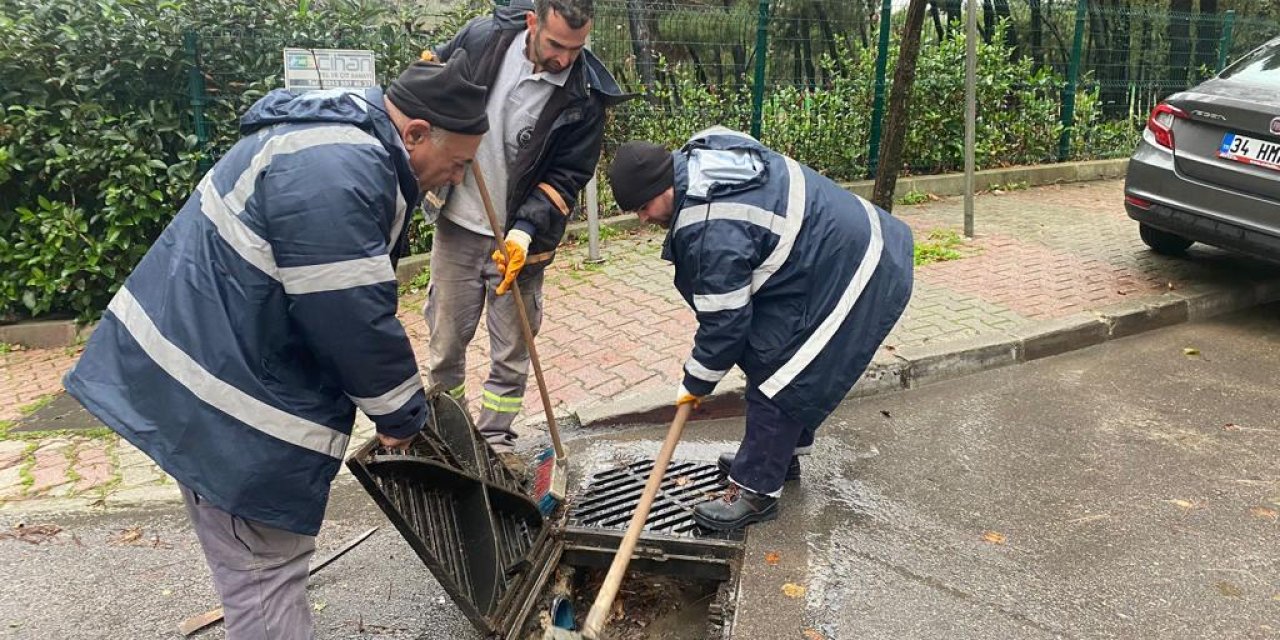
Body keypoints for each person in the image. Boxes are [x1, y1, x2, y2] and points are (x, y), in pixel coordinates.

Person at [62, 56, 489, 639]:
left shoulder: (337, 144)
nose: (459, 178)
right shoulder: (339, 168)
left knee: (258, 567)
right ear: (415, 133)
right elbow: (350, 316)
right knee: (264, 573)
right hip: (221, 399)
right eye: (459, 162)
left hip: (207, 369)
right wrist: (401, 419)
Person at [606, 127, 915, 531]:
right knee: (770, 351)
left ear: (665, 182)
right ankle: (778, 454)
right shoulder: (702, 151)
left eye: (645, 206)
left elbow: (725, 326)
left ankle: (755, 491)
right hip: (832, 249)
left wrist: (694, 383)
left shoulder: (710, 230)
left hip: (858, 267)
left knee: (782, 369)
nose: (644, 218)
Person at [425, 0, 627, 475]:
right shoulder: (483, 40)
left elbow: (567, 174)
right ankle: (449, 435)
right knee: (446, 343)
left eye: (576, 49)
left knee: (512, 350)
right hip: (458, 223)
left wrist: (522, 233)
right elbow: (431, 78)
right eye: (556, 45)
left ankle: (495, 442)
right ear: (533, 22)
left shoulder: (585, 96)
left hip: (519, 242)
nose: (564, 59)